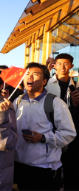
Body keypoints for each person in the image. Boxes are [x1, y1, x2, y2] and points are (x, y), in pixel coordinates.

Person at [13, 62, 76, 191]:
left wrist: (43, 138)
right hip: (19, 165)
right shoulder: (18, 100)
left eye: (35, 74)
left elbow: (69, 133)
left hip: (44, 169)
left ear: (44, 81)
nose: (29, 77)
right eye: (27, 74)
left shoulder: (55, 103)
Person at [45, 53, 79, 191]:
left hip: (73, 131)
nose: (62, 67)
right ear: (54, 66)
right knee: (52, 170)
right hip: (51, 130)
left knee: (72, 168)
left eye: (66, 64)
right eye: (59, 63)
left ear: (71, 66)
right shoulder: (47, 84)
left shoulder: (76, 85)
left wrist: (76, 105)